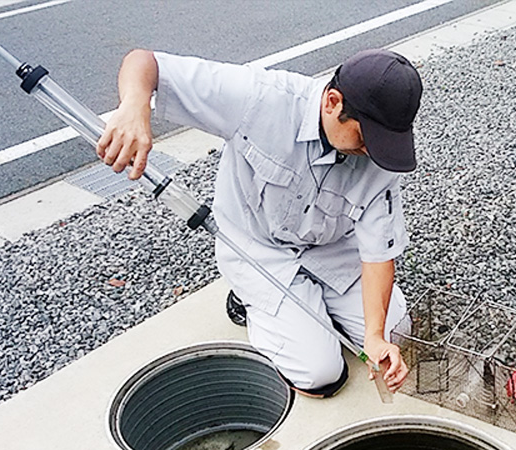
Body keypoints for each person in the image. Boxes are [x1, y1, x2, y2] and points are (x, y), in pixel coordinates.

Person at [96, 48, 422, 398]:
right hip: (260, 251)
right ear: (332, 102)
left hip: (331, 251)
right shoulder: (260, 98)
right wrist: (134, 106)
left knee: (396, 333)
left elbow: (377, 253)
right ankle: (250, 305)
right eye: (364, 137)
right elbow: (145, 63)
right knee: (321, 374)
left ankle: (316, 312)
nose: (373, 151)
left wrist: (374, 336)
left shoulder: (378, 162)